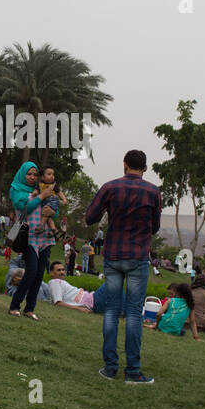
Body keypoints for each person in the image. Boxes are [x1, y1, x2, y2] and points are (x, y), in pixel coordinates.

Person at [84, 150, 161, 383]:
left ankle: (110, 367)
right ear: (145, 168)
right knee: (134, 313)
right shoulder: (153, 192)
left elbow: (90, 217)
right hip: (137, 256)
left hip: (113, 254)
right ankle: (133, 371)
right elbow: (155, 227)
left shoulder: (110, 187)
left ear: (124, 164)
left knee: (111, 310)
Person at [8, 161, 58, 319]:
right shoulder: (16, 190)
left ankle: (29, 309)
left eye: (35, 174)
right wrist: (42, 196)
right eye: (29, 174)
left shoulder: (41, 188)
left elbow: (53, 209)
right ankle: (14, 306)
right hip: (29, 236)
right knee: (31, 271)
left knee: (39, 275)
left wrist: (52, 212)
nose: (32, 177)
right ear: (23, 174)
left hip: (45, 237)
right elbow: (25, 208)